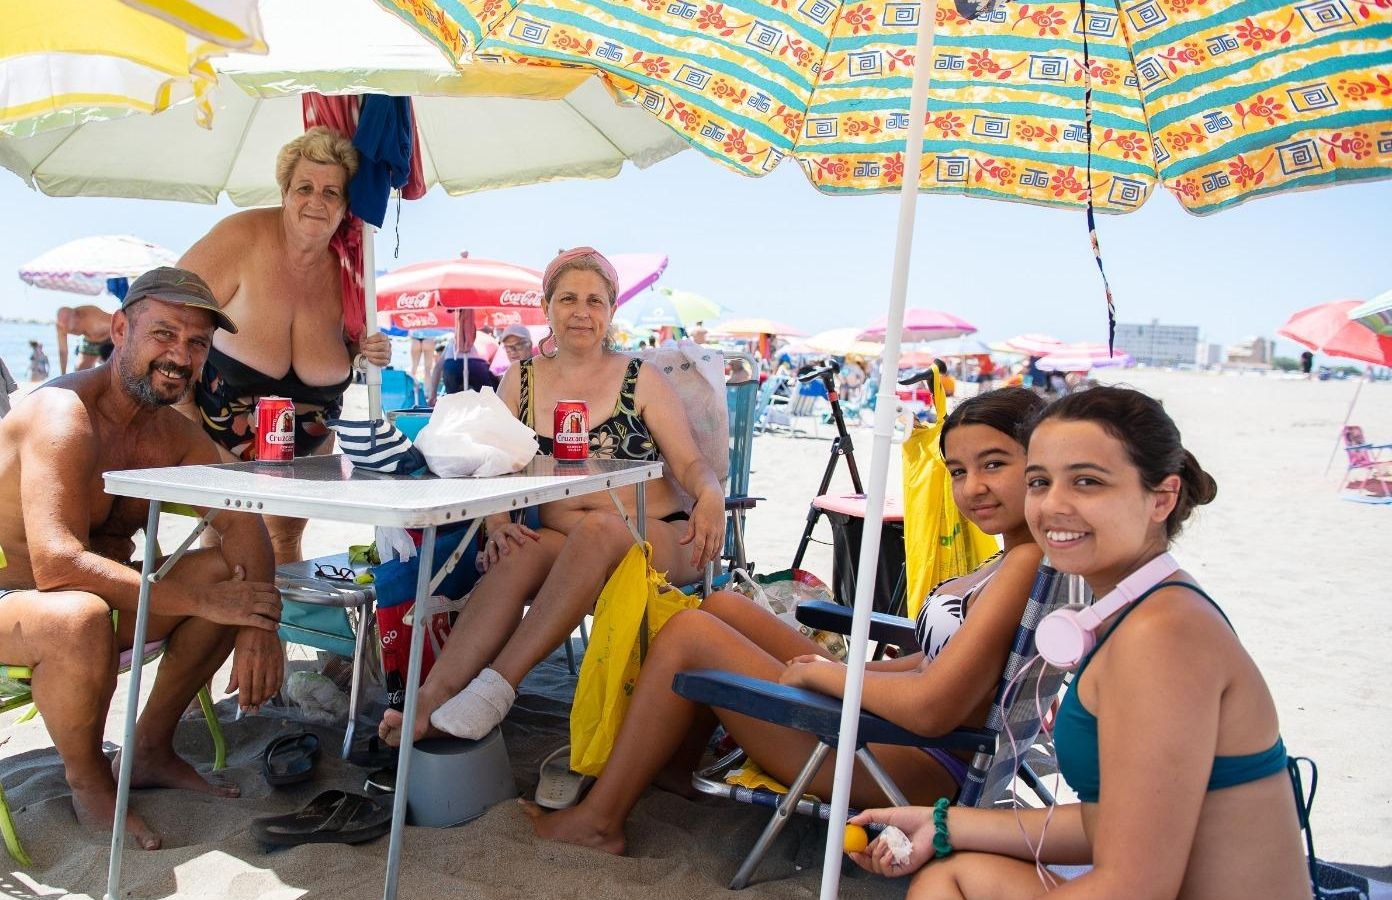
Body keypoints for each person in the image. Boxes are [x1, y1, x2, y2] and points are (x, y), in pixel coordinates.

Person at [521, 388, 1048, 854]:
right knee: (723, 605)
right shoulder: (1013, 558)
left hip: (905, 762)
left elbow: (934, 709)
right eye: (958, 470)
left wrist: (827, 676)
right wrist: (827, 670)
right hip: (897, 735)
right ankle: (671, 766)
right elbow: (936, 664)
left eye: (994, 464)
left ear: (1041, 463)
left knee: (689, 633)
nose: (972, 486)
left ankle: (598, 822)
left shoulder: (1023, 566)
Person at [853, 386, 1311, 900]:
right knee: (950, 874)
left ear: (1160, 498)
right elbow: (1109, 823)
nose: (1052, 505)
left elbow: (1133, 885)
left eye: (1087, 482)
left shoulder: (1160, 637)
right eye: (1039, 482)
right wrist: (943, 825)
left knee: (943, 886)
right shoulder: (1144, 605)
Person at [0, 268, 285, 851]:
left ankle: (147, 749)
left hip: (93, 604)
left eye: (195, 344)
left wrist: (258, 621)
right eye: (163, 334)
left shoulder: (175, 436)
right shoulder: (62, 413)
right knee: (83, 615)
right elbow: (56, 564)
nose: (180, 356)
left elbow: (243, 521)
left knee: (228, 577)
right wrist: (197, 600)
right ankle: (89, 781)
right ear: (120, 328)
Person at [378, 247, 727, 747]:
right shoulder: (520, 381)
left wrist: (711, 495)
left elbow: (692, 464)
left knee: (600, 529)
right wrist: (498, 524)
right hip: (562, 542)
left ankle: (498, 687)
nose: (581, 311)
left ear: (610, 311)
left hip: (658, 538)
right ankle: (428, 702)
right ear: (546, 307)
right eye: (568, 298)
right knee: (517, 553)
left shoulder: (640, 378)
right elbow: (492, 463)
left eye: (594, 300)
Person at [178, 126, 393, 563]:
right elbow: (173, 320)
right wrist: (182, 419)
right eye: (305, 188)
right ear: (284, 191)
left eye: (332, 192)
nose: (317, 201)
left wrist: (368, 351)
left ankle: (280, 631)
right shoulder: (239, 238)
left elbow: (350, 346)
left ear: (345, 204)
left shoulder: (352, 268)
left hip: (311, 445)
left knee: (283, 546)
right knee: (228, 549)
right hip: (220, 434)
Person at [55, 304, 116, 373]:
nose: (65, 329)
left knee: (114, 368)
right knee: (79, 372)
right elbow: (63, 351)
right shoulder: (61, 326)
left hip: (110, 337)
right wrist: (63, 375)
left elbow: (118, 325)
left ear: (77, 317)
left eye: (68, 327)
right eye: (64, 327)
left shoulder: (94, 317)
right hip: (90, 341)